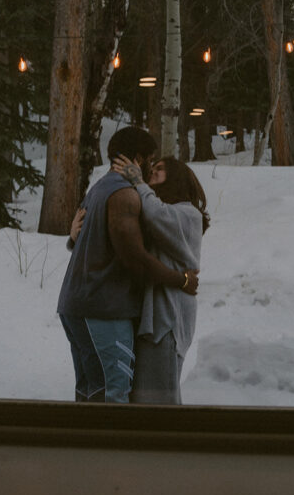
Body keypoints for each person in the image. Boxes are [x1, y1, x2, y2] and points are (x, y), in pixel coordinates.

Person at [57, 126, 199, 404]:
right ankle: (111, 447)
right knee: (116, 393)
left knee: (90, 391)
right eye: (151, 159)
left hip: (74, 306)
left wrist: (72, 239)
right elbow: (135, 259)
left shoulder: (98, 188)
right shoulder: (124, 194)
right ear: (138, 158)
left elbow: (94, 241)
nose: (150, 168)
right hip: (104, 308)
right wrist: (181, 279)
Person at [112, 153, 209, 404]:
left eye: (161, 168)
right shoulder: (161, 210)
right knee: (149, 392)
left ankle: (169, 442)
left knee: (160, 396)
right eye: (152, 167)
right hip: (157, 315)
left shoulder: (188, 215)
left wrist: (139, 183)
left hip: (168, 316)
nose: (152, 171)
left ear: (176, 177)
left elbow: (157, 215)